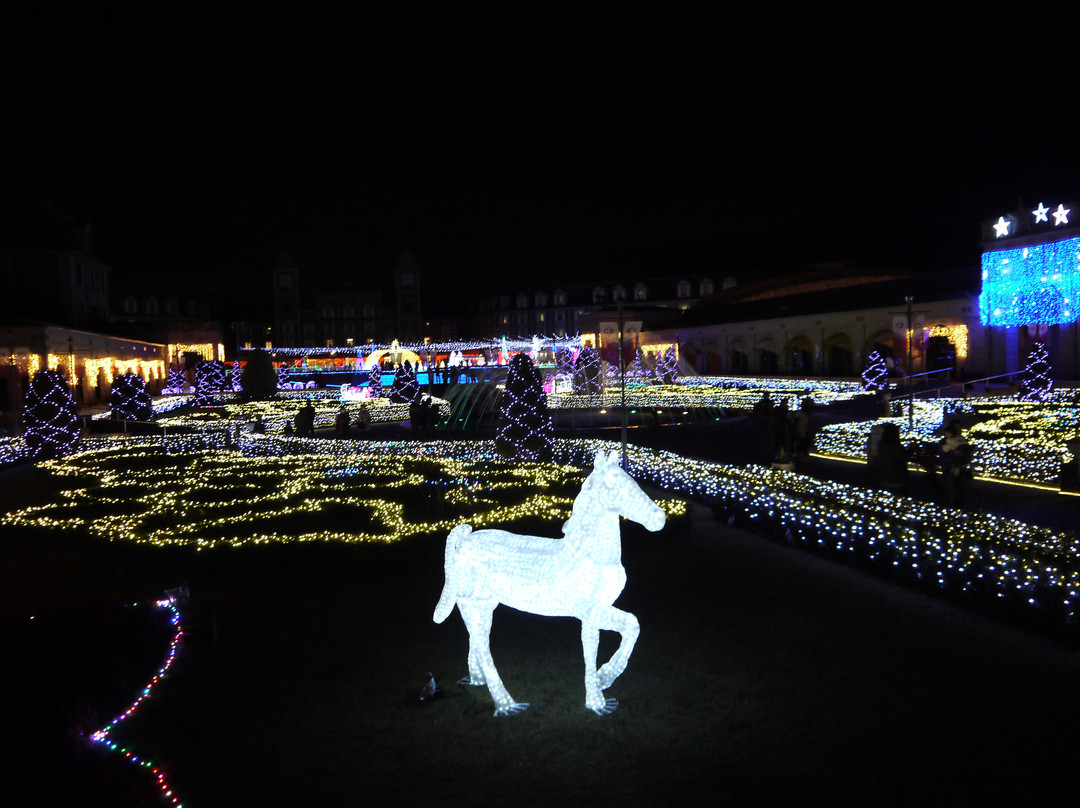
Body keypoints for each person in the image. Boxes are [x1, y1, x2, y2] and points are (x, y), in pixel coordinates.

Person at [938, 420, 973, 505]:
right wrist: (955, 456)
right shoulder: (945, 442)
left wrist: (963, 457)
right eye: (957, 428)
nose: (959, 430)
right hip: (949, 469)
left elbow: (967, 454)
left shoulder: (961, 440)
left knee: (963, 489)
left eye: (960, 428)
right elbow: (943, 456)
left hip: (960, 469)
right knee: (951, 490)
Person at [869, 422, 909, 491]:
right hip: (898, 479)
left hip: (884, 478)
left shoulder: (881, 444)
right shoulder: (896, 446)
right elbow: (902, 457)